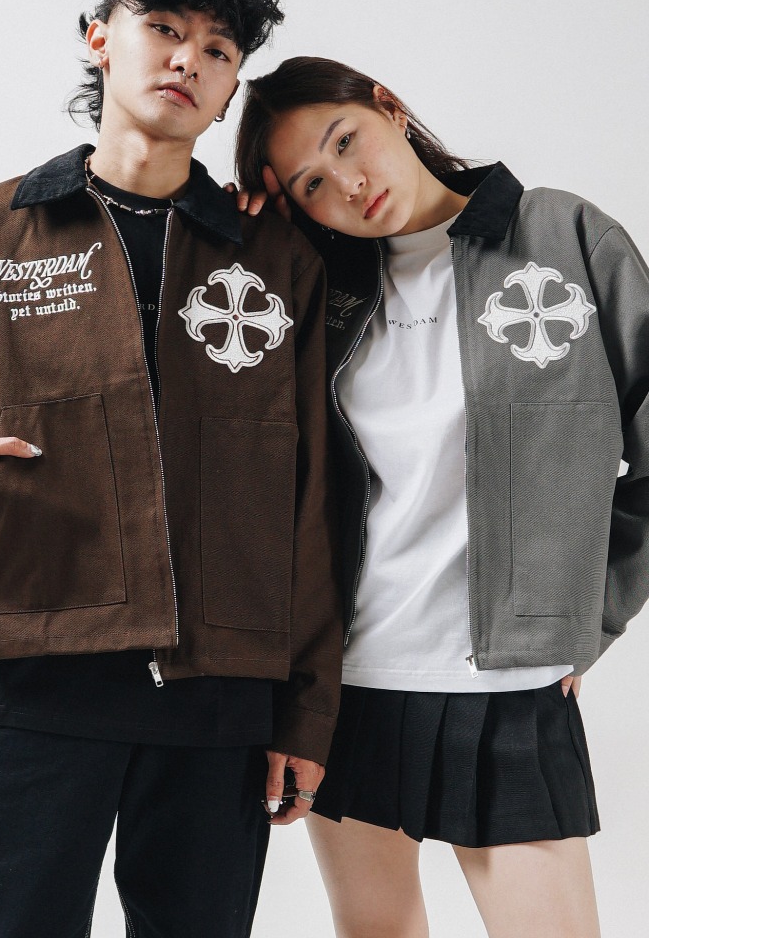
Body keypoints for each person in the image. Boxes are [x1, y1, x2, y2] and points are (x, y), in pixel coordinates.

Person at [0, 0, 342, 938]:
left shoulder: (274, 260)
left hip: (222, 699)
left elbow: (314, 494)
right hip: (39, 672)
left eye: (218, 49)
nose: (187, 60)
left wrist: (307, 710)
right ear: (99, 38)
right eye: (163, 28)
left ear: (231, 88)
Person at [233, 56, 648, 938]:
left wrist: (593, 609)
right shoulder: (321, 293)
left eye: (346, 141)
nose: (348, 184)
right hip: (350, 682)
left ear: (388, 107)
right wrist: (253, 244)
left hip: (510, 681)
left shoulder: (562, 235)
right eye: (312, 184)